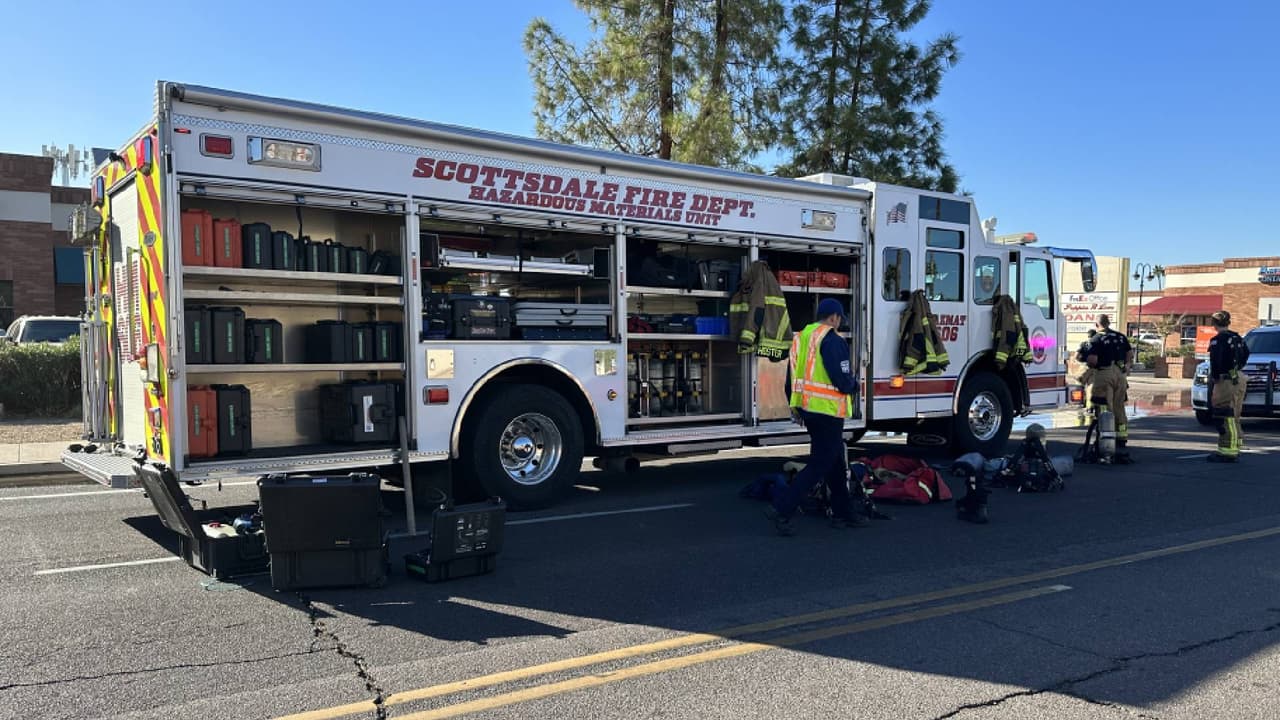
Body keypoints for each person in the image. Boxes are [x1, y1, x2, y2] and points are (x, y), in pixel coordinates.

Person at [765, 298, 862, 536]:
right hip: (827, 411)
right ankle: (783, 509)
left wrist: (795, 407)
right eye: (839, 319)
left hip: (809, 410)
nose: (839, 324)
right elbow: (841, 379)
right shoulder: (832, 340)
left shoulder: (802, 338)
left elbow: (791, 380)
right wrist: (854, 386)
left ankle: (844, 513)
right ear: (834, 317)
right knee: (820, 465)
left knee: (835, 461)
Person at [1083, 314, 1133, 461]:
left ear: (1097, 325)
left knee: (1104, 408)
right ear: (1108, 323)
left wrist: (1088, 364)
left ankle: (1105, 439)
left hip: (1104, 374)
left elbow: (1093, 360)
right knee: (1119, 408)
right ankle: (1121, 439)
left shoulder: (1096, 339)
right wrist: (1127, 367)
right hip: (1120, 375)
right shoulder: (1121, 337)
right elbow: (1129, 354)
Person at [1207, 310, 1250, 463]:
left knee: (1224, 414)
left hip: (1225, 380)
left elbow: (1216, 362)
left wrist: (1216, 377)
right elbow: (1246, 354)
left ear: (1214, 323)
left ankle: (1227, 450)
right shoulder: (1237, 338)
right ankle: (1236, 445)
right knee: (1235, 414)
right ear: (1228, 322)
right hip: (1238, 377)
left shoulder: (1217, 341)